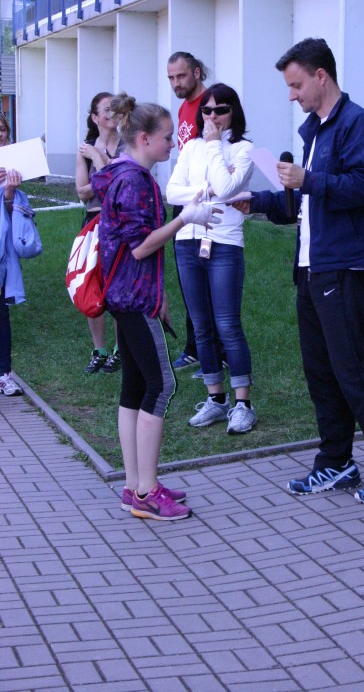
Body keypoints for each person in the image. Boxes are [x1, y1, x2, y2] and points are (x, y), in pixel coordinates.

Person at [241, 38, 364, 504]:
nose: (292, 95)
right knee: (322, 372)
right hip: (313, 266)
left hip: (346, 265)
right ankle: (336, 462)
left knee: (353, 370)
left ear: (321, 76)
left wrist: (309, 180)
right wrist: (255, 202)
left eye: (296, 85)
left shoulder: (356, 123)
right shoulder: (316, 130)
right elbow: (305, 202)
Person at [90, 92, 220, 520]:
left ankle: (135, 486)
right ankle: (146, 491)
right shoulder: (135, 181)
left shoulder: (121, 173)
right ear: (144, 138)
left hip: (127, 296)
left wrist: (159, 296)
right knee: (161, 386)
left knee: (134, 387)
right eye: (167, 137)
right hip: (132, 298)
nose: (173, 144)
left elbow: (134, 249)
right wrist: (185, 218)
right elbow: (141, 247)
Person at [166, 83, 257, 435]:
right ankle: (216, 398)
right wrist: (204, 192)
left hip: (224, 244)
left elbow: (228, 187)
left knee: (227, 325)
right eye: (206, 110)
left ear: (234, 111)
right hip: (187, 242)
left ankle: (243, 403)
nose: (213, 116)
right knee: (201, 325)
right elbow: (172, 192)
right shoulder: (191, 147)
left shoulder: (243, 148)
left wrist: (216, 144)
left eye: (221, 110)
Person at [167, 51, 225, 377]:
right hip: (184, 198)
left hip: (205, 200)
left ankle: (216, 351)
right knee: (189, 277)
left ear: (197, 72)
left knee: (206, 276)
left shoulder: (210, 105)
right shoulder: (184, 107)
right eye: (171, 78)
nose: (176, 83)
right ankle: (196, 347)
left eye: (181, 76)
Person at [75, 92, 122, 374]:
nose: (113, 113)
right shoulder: (85, 149)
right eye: (107, 109)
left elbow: (120, 186)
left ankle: (120, 349)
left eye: (116, 108)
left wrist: (99, 162)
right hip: (93, 221)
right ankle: (99, 349)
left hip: (118, 221)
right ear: (95, 117)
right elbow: (82, 193)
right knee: (91, 283)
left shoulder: (128, 145)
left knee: (116, 285)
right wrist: (106, 167)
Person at [0, 113, 24, 397]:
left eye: (3, 129)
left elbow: (11, 215)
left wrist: (10, 192)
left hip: (2, 252)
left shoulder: (13, 164)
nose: (0, 134)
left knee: (1, 312)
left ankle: (4, 374)